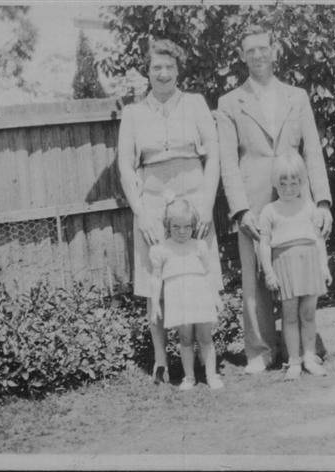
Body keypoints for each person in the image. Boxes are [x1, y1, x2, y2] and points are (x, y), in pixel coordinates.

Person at [216, 25, 333, 373]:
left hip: (296, 198)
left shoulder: (297, 97)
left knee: (301, 269)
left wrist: (323, 201)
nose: (257, 55)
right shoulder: (229, 102)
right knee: (255, 273)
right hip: (252, 199)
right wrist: (239, 208)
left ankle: (304, 349)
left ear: (274, 50)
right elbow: (227, 161)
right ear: (241, 56)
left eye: (263, 48)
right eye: (250, 50)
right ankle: (261, 350)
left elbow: (313, 150)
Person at [117, 39, 222, 384]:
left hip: (193, 201)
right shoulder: (133, 113)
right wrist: (141, 213)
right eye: (156, 67)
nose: (163, 74)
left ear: (179, 71)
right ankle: (162, 360)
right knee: (154, 282)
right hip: (151, 203)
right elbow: (125, 167)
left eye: (169, 67)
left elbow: (214, 157)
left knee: (198, 273)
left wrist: (206, 204)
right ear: (147, 71)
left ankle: (205, 357)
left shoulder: (194, 104)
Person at [258, 154, 332, 380]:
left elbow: (318, 240)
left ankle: (310, 357)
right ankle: (294, 361)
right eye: (283, 183)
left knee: (308, 314)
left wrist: (324, 266)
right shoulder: (270, 211)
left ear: (302, 182)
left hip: (309, 264)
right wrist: (269, 271)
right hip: (285, 266)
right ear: (274, 183)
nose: (289, 188)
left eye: (294, 183)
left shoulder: (309, 207)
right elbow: (264, 243)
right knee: (289, 316)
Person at [149, 197, 224, 390]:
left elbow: (209, 273)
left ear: (193, 225)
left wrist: (215, 297)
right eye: (176, 227)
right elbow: (156, 278)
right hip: (178, 299)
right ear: (167, 225)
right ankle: (189, 377)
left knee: (205, 338)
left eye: (187, 226)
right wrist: (156, 303)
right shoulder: (162, 250)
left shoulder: (199, 246)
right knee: (185, 339)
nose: (182, 232)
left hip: (199, 296)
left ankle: (211, 375)